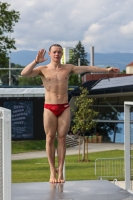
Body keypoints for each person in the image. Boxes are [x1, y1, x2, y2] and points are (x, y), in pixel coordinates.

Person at [21, 44, 120, 183]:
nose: (57, 54)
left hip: (64, 106)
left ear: (62, 54)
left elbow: (89, 68)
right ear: (49, 53)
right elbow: (24, 73)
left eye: (59, 52)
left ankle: (60, 170)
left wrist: (106, 69)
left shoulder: (68, 68)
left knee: (61, 138)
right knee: (49, 138)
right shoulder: (42, 69)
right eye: (54, 52)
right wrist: (36, 61)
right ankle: (52, 171)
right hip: (49, 107)